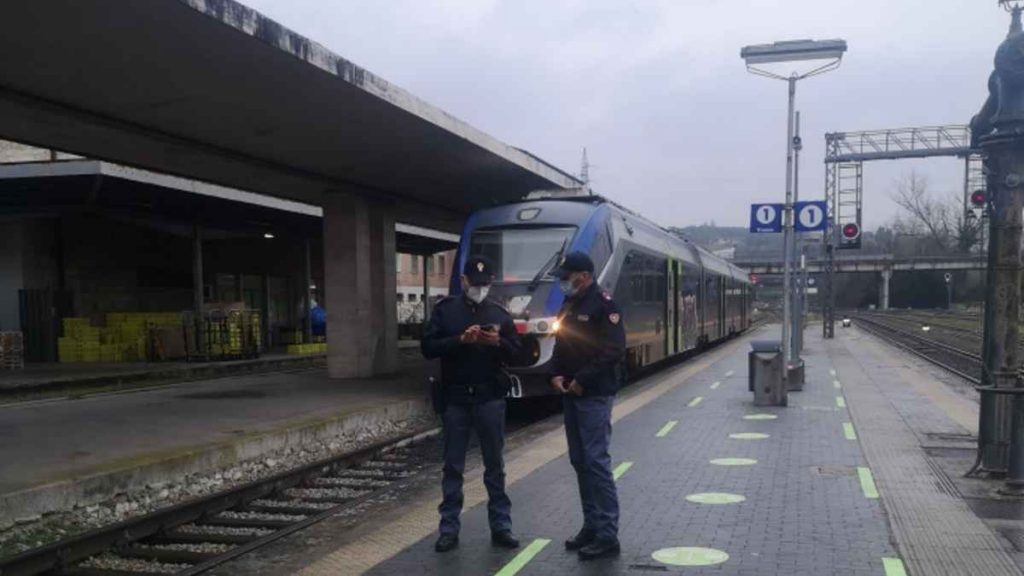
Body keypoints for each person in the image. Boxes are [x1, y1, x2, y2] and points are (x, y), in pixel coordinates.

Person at [421, 255, 522, 553]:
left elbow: (517, 352)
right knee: (453, 466)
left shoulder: (499, 313)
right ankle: (448, 528)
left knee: (495, 465)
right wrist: (459, 341)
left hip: (489, 398)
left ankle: (501, 525)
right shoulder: (445, 311)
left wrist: (497, 343)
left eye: (484, 284)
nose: (480, 289)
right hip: (455, 400)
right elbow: (428, 347)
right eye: (475, 283)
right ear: (463, 281)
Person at [550, 251, 626, 561]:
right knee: (580, 461)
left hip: (594, 394)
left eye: (567, 277)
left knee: (596, 462)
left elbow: (613, 350)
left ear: (583, 276)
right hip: (572, 393)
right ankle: (591, 525)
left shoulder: (605, 305)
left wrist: (581, 379)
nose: (563, 282)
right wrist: (555, 373)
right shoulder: (570, 303)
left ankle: (608, 534)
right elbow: (561, 341)